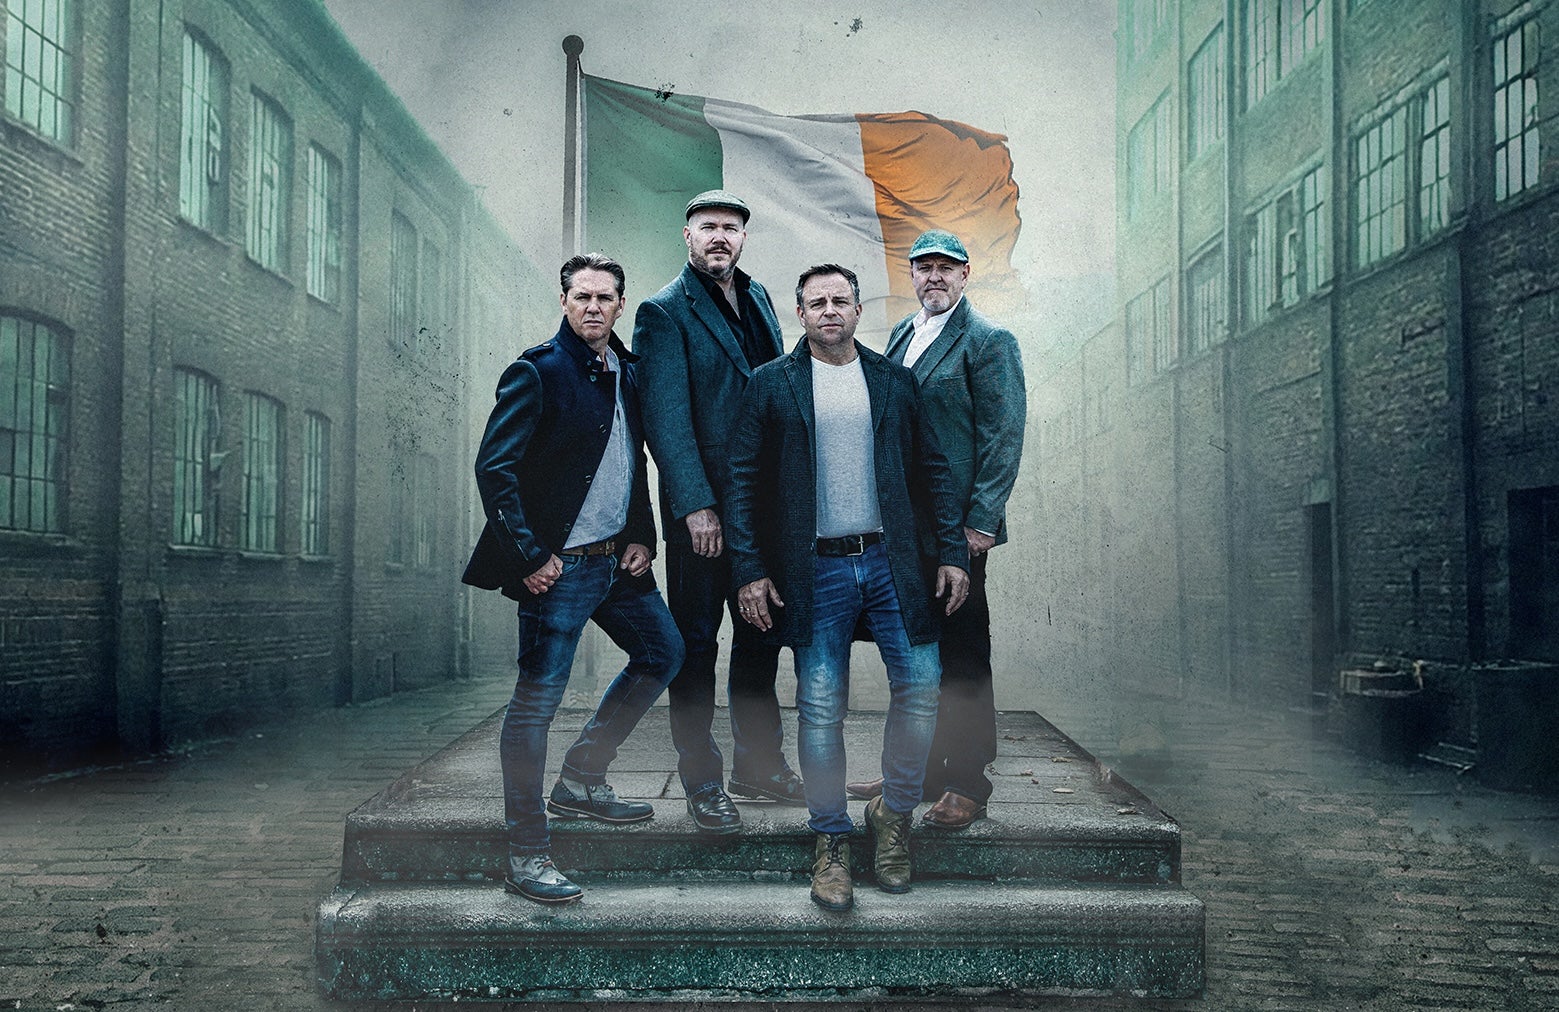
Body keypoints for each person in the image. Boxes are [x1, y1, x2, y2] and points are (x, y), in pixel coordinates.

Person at [725, 263, 969, 911]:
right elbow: (742, 483)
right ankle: (830, 838)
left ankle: (891, 816)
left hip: (893, 564)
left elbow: (933, 470)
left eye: (840, 300)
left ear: (858, 310)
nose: (829, 310)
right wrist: (748, 569)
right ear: (799, 315)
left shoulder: (895, 381)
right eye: (815, 303)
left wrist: (950, 553)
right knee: (821, 703)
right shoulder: (769, 385)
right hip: (815, 570)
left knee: (919, 687)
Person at [462, 253, 684, 905]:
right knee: (536, 702)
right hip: (556, 570)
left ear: (621, 305)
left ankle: (583, 779)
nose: (593, 307)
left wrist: (641, 535)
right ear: (564, 301)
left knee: (663, 652)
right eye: (581, 296)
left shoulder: (630, 373)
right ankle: (527, 855)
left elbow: (628, 461)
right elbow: (493, 469)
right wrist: (530, 556)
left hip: (616, 562)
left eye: (604, 298)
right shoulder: (538, 371)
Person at [633, 190, 804, 834]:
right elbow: (666, 422)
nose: (719, 238)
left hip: (762, 505)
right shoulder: (662, 312)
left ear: (742, 239)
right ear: (686, 235)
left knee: (762, 636)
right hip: (702, 513)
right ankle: (701, 779)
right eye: (708, 228)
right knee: (698, 644)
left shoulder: (758, 297)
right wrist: (696, 507)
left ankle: (758, 767)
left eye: (730, 229)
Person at [845, 230, 1027, 831]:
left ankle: (967, 781)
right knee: (919, 648)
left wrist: (979, 523)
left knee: (964, 652)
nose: (934, 278)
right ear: (913, 276)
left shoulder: (988, 341)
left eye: (946, 268)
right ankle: (918, 772)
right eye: (924, 269)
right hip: (902, 527)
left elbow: (1004, 439)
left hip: (958, 530)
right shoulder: (903, 334)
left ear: (966, 274)